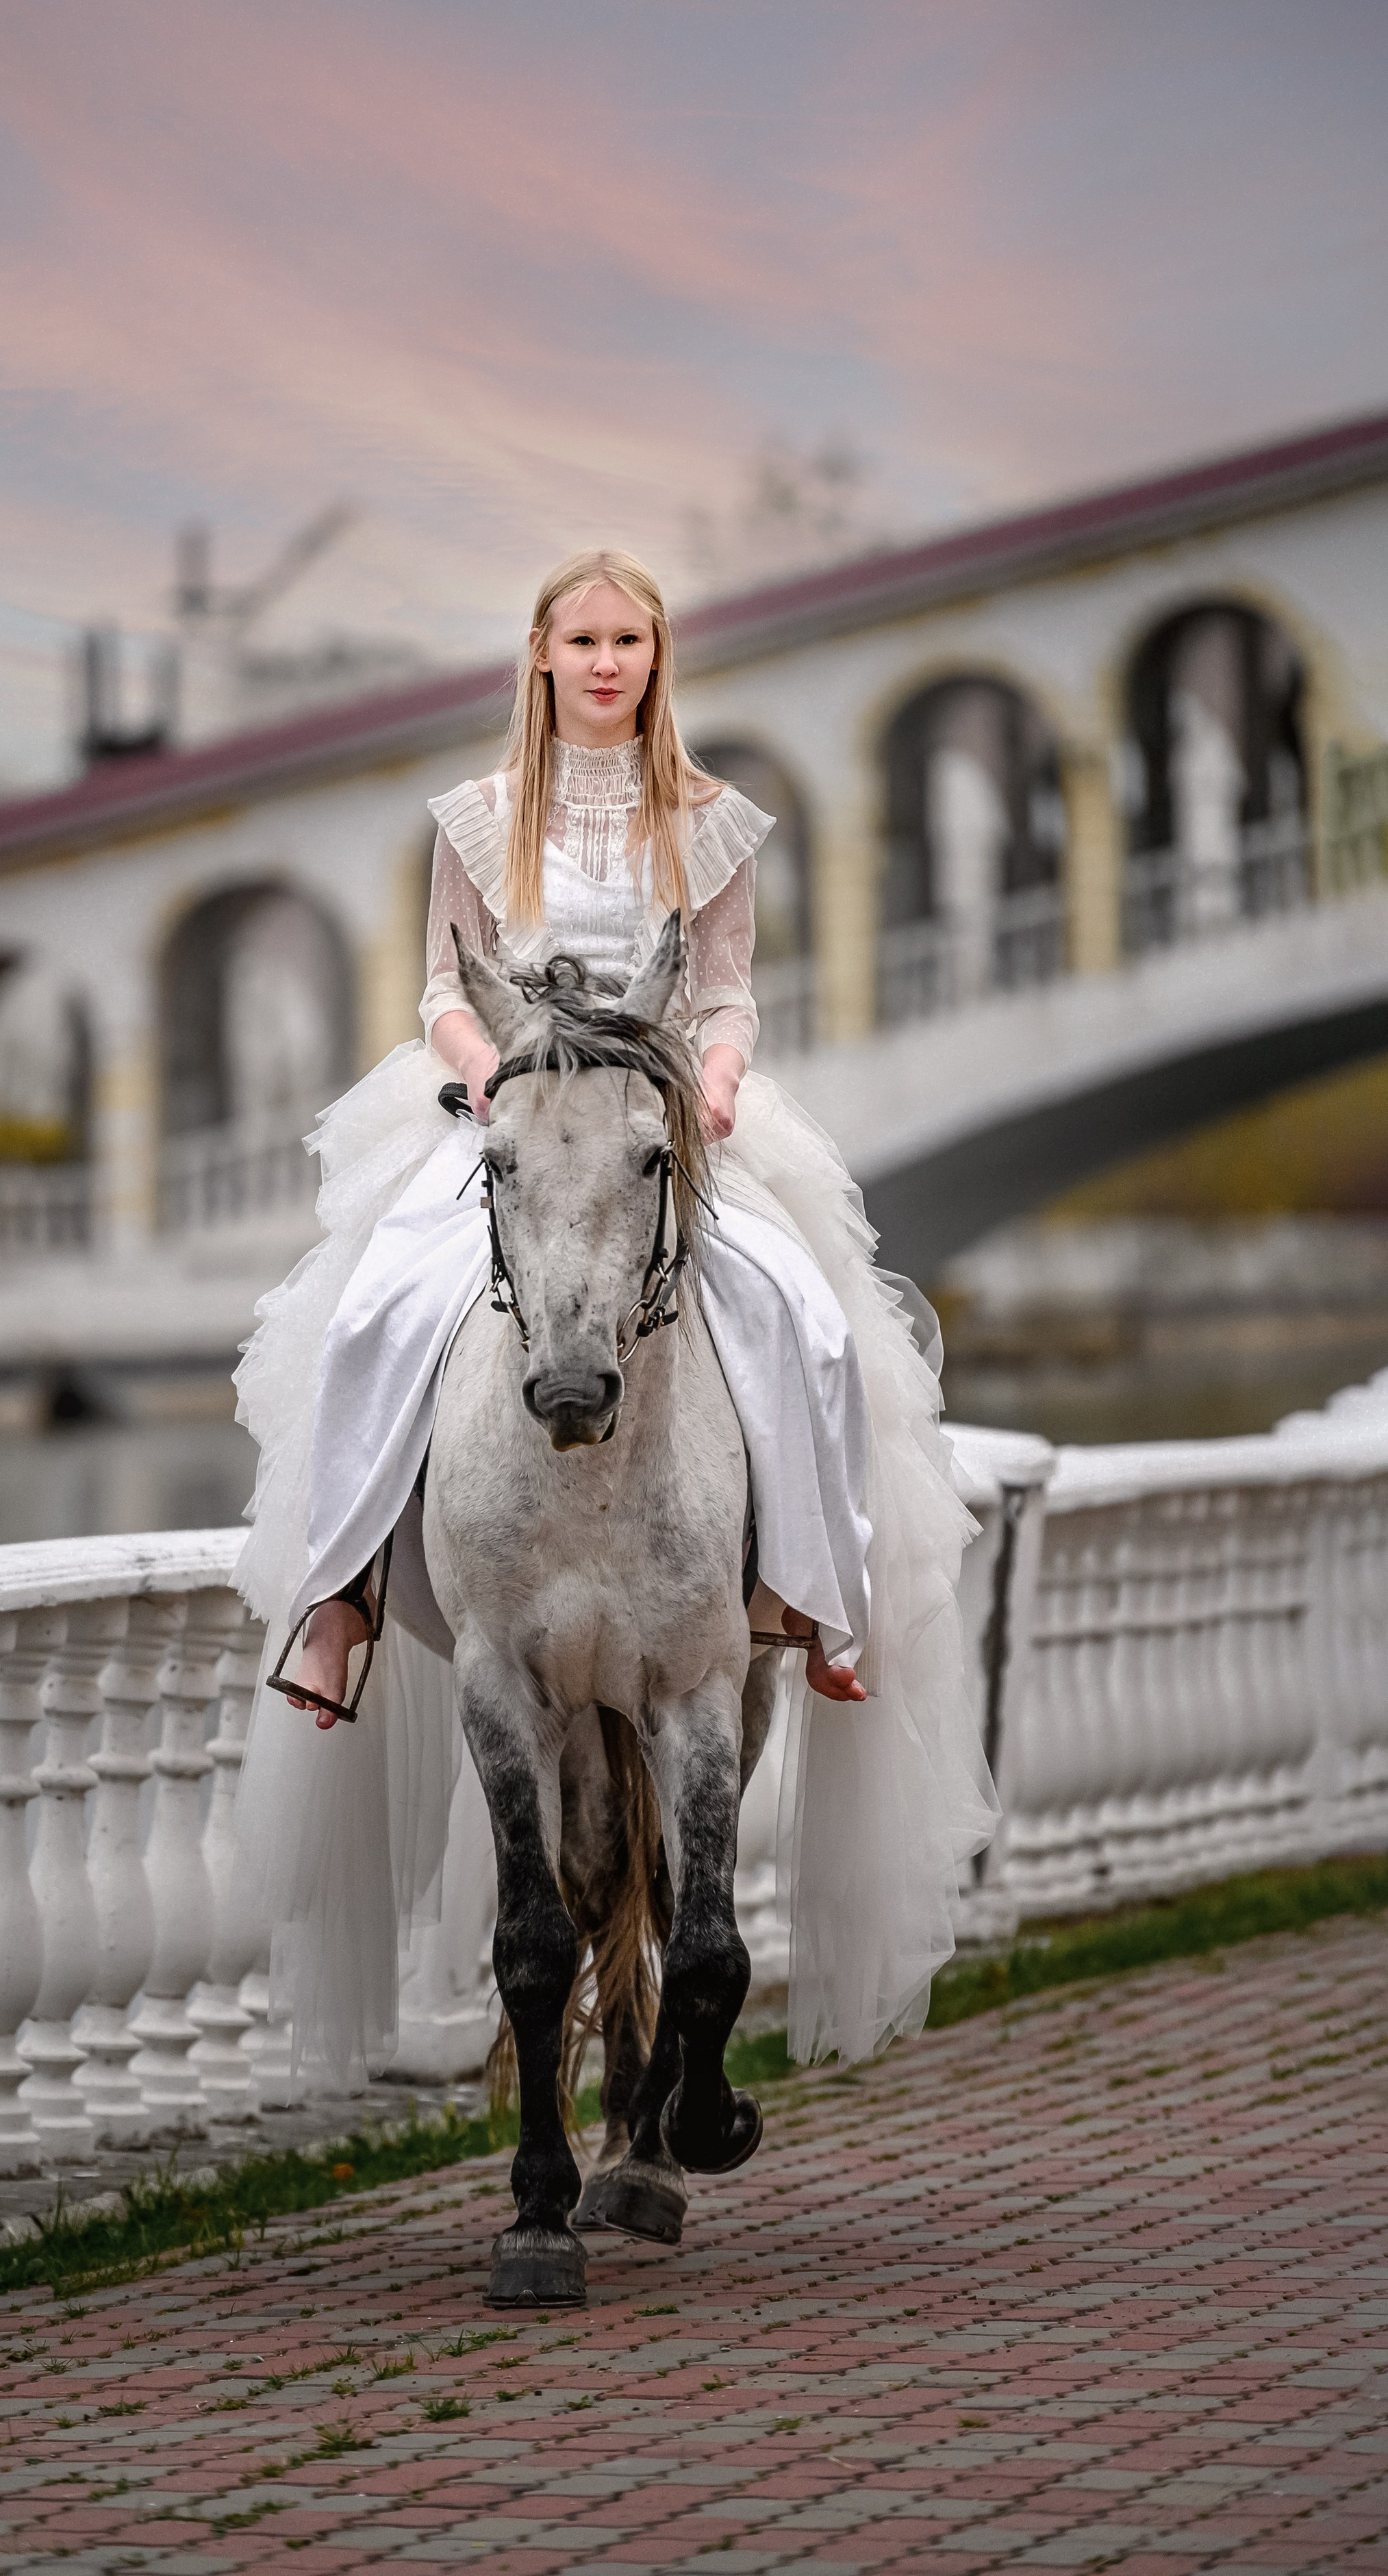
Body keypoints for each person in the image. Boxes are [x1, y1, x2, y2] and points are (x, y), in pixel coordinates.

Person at [226, 548, 996, 2092]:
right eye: (579, 639)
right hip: (509, 1105)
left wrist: (705, 1079)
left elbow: (721, 993)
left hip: (654, 1112)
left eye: (626, 641)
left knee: (803, 1312)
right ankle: (344, 1596)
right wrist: (480, 1067)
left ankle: (808, 1591)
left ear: (655, 657)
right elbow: (442, 990)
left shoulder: (706, 818)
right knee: (381, 1306)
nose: (602, 663)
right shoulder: (471, 817)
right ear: (539, 651)